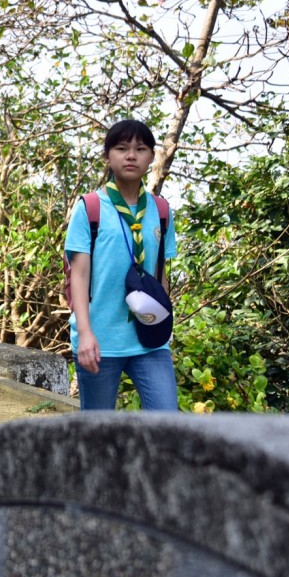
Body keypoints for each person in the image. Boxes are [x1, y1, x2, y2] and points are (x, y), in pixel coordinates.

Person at [65, 119, 178, 410]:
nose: (131, 155)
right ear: (108, 156)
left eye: (141, 149)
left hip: (149, 340)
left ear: (152, 156)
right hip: (100, 338)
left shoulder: (162, 211)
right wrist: (86, 334)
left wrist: (165, 329)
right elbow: (79, 275)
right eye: (121, 148)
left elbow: (160, 276)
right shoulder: (89, 208)